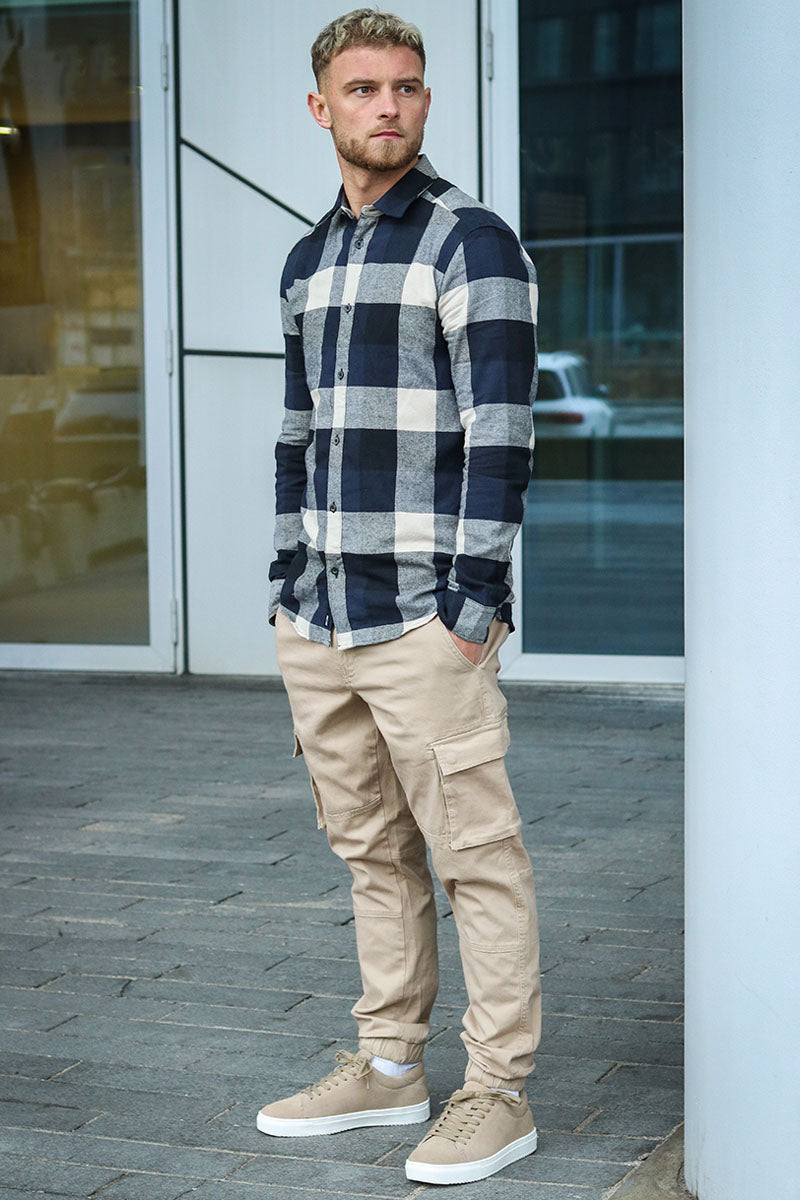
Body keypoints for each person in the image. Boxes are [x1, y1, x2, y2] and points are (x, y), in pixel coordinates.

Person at [257, 8, 541, 1186]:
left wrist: (471, 604)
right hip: (320, 616)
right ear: (320, 107)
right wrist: (286, 581)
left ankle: (497, 1093)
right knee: (369, 852)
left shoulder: (470, 243)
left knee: (476, 857)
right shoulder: (305, 260)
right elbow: (297, 431)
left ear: (425, 101)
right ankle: (387, 1066)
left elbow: (502, 435)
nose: (387, 106)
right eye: (364, 89)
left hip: (426, 617)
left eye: (406, 87)